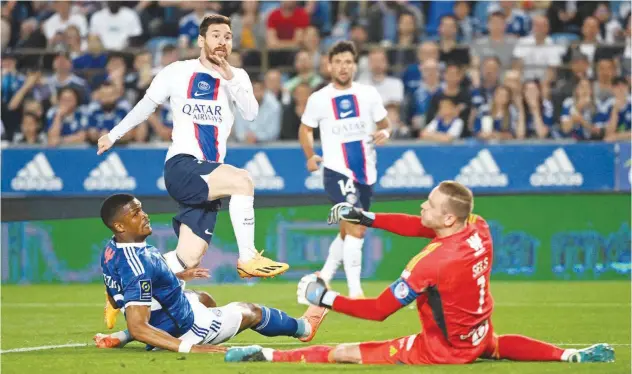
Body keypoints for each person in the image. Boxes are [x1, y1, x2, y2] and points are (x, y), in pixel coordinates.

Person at [225, 181, 615, 365]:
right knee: (494, 344)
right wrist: (367, 217)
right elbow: (419, 226)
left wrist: (323, 297)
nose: (422, 208)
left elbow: (379, 311)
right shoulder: (477, 227)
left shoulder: (432, 264)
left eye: (429, 204)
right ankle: (571, 355)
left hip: (442, 350)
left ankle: (265, 353)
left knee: (346, 353)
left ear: (447, 216)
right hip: (477, 334)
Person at [96, 194, 323, 353]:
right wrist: (191, 348)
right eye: (136, 214)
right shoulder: (137, 265)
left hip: (168, 311)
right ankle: (304, 328)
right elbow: (139, 324)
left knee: (202, 297)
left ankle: (123, 336)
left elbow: (129, 288)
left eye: (141, 209)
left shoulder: (111, 249)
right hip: (187, 330)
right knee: (251, 311)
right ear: (120, 227)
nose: (144, 215)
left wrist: (178, 276)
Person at [298, 41, 391, 299]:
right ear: (329, 65)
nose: (343, 67)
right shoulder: (320, 98)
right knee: (356, 226)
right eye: (338, 62)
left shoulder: (368, 94)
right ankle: (355, 291)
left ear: (355, 65)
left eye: (348, 62)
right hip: (337, 171)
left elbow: (385, 124)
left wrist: (384, 132)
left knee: (349, 229)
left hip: (365, 171)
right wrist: (309, 156)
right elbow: (305, 128)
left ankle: (324, 277)